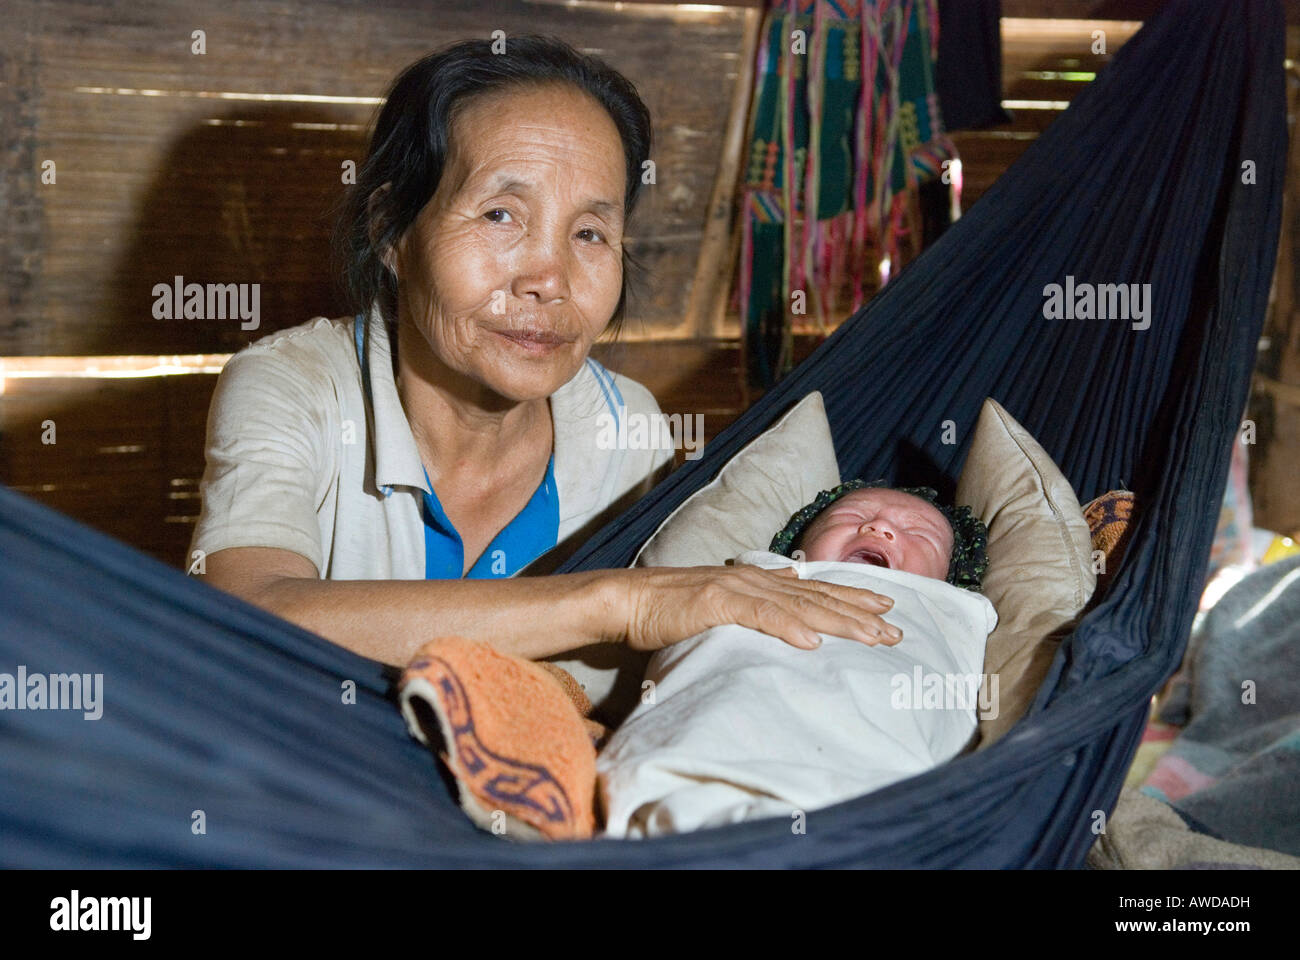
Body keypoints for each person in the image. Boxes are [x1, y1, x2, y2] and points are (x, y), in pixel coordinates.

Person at [189, 37, 897, 692]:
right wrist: (619, 601)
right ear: (391, 233)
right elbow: (252, 614)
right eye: (501, 215)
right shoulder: (297, 388)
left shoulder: (629, 433)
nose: (549, 279)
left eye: (590, 232)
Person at [598, 479, 993, 837]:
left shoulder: (948, 612)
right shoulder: (756, 576)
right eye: (851, 516)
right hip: (703, 758)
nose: (878, 528)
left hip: (874, 784)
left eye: (919, 534)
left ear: (950, 582)